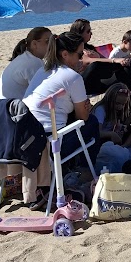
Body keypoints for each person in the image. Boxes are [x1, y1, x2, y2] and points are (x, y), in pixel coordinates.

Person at [23, 32, 101, 165]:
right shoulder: (73, 77)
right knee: (92, 122)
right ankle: (86, 170)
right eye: (80, 54)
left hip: (27, 138)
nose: (82, 58)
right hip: (50, 142)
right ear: (65, 54)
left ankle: (69, 166)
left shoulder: (43, 70)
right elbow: (83, 117)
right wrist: (83, 108)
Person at [70, 18, 131, 104]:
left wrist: (122, 60)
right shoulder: (74, 49)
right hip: (85, 84)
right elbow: (88, 61)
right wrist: (115, 60)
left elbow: (106, 60)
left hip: (100, 80)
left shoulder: (90, 48)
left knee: (125, 71)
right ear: (79, 33)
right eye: (88, 31)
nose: (91, 33)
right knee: (95, 65)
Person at [0, 26, 52, 100]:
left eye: (53, 41)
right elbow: (44, 92)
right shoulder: (33, 63)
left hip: (4, 104)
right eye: (48, 41)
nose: (52, 45)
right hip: (13, 106)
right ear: (34, 44)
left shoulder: (25, 57)